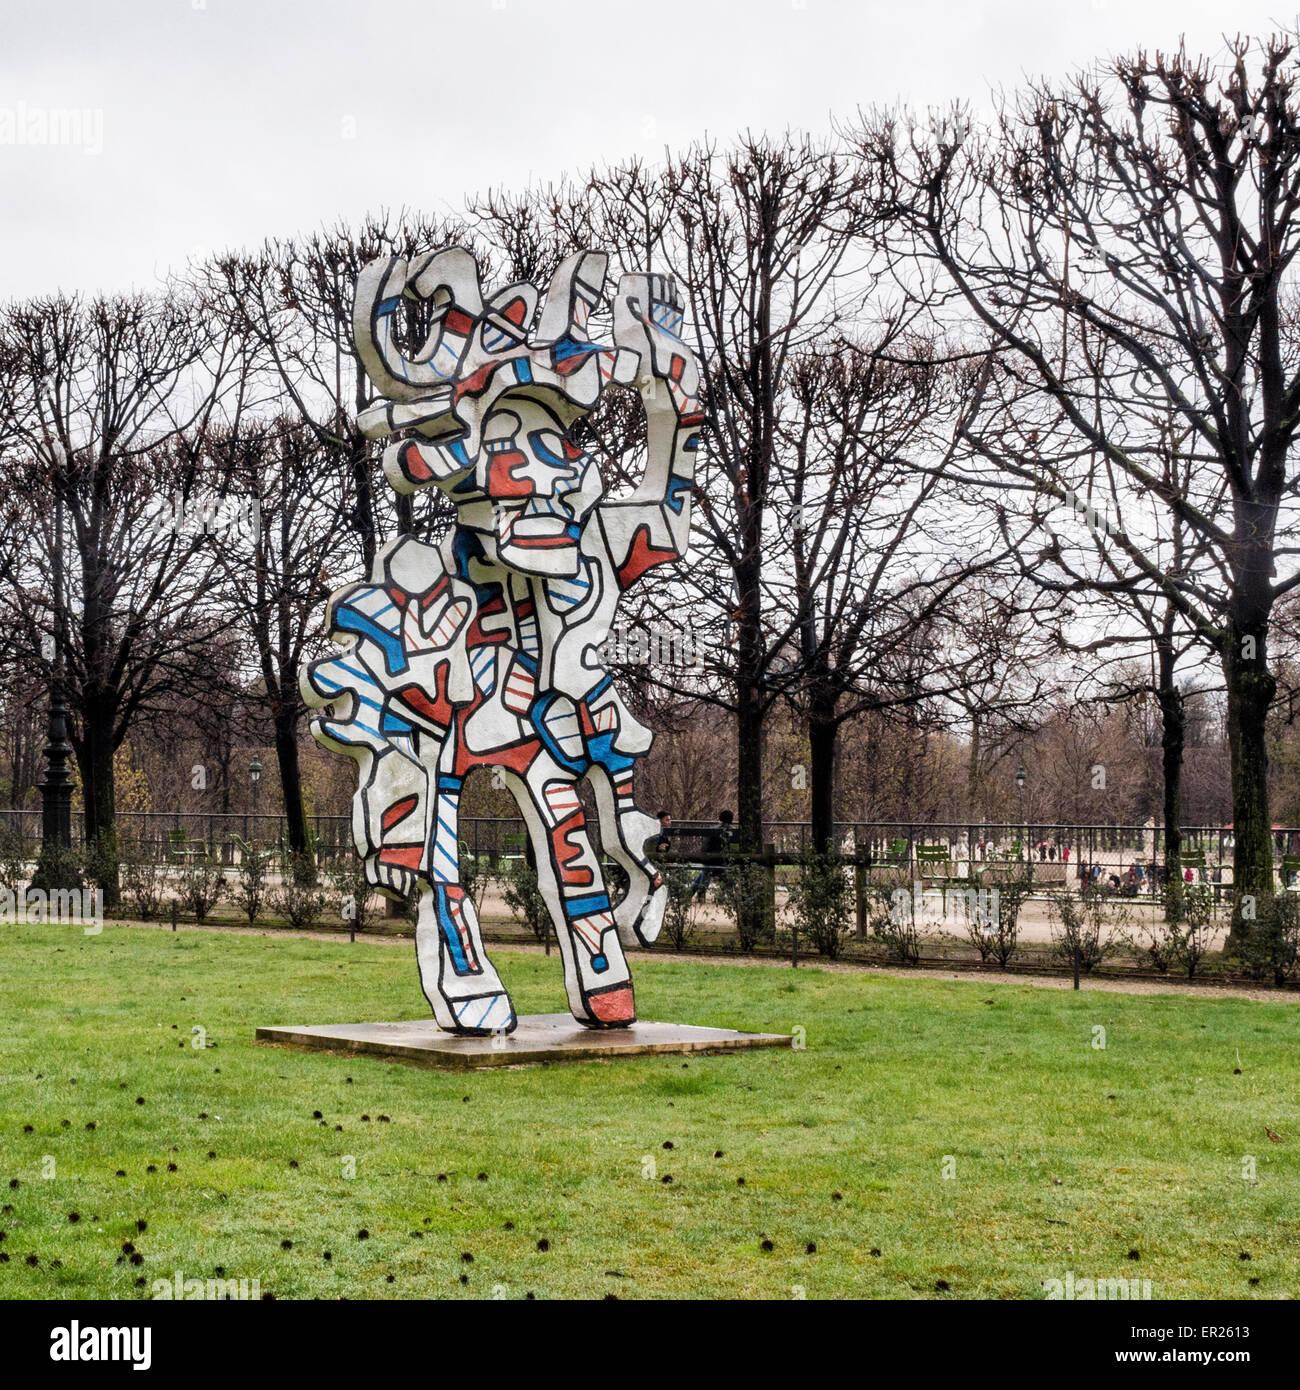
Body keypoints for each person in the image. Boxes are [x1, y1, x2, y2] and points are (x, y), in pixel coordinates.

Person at [693, 809, 734, 901]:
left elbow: (705, 847)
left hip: (710, 861)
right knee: (707, 872)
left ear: (720, 819)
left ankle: (698, 893)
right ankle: (722, 896)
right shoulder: (733, 831)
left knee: (705, 871)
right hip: (726, 862)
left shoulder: (712, 829)